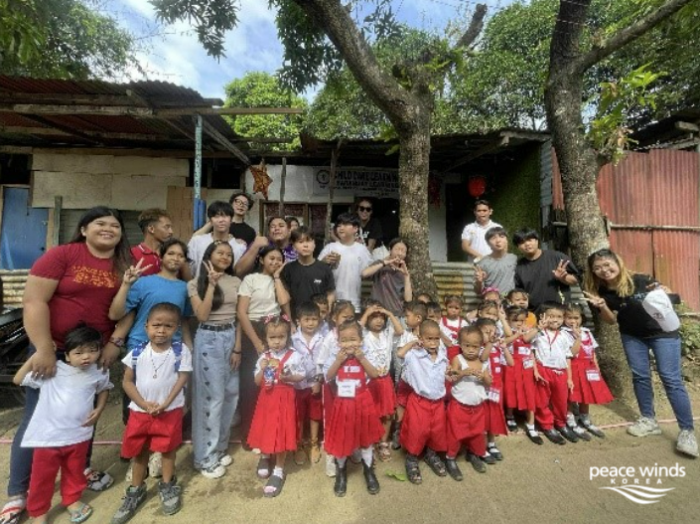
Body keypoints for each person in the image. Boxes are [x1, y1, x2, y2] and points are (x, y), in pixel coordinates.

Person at [0, 207, 130, 524]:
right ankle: (18, 493)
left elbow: (130, 308)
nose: (108, 228)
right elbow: (34, 301)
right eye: (100, 223)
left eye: (115, 225)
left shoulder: (122, 266)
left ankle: (79, 470)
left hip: (93, 354)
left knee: (84, 416)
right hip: (53, 350)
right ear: (84, 229)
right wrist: (44, 346)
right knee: (37, 419)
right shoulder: (62, 255)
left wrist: (114, 343)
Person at [583, 248, 698, 457]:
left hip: (662, 332)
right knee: (640, 376)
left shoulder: (641, 279)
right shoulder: (602, 291)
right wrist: (602, 306)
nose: (604, 270)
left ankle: (687, 431)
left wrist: (664, 291)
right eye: (597, 268)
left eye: (607, 264)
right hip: (632, 336)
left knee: (670, 378)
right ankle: (649, 419)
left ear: (617, 262)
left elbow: (668, 298)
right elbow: (610, 320)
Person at [13, 326, 112, 524]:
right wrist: (38, 355)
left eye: (92, 350)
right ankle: (38, 512)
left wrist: (99, 409)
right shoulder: (53, 370)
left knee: (74, 472)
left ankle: (72, 500)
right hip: (48, 438)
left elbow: (104, 389)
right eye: (79, 352)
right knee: (41, 478)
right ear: (67, 355)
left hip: (79, 435)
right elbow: (18, 379)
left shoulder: (99, 371)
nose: (86, 357)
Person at [112, 303, 192, 524]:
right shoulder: (136, 352)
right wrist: (144, 404)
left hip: (170, 411)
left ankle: (167, 485)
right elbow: (127, 382)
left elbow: (182, 379)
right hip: (140, 412)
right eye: (156, 325)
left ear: (176, 328)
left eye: (168, 326)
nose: (161, 330)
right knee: (140, 451)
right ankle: (136, 490)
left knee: (167, 450)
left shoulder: (180, 351)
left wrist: (166, 403)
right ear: (146, 326)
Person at [188, 241, 242, 479]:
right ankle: (204, 458)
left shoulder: (236, 282)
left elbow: (240, 316)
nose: (225, 257)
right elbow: (201, 315)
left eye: (229, 254)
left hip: (230, 336)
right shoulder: (194, 283)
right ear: (208, 255)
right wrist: (210, 285)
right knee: (211, 398)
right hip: (208, 337)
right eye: (220, 253)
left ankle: (220, 448)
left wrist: (238, 347)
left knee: (231, 393)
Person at [323, 320, 384, 497]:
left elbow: (374, 374)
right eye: (344, 340)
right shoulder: (336, 356)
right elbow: (328, 376)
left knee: (366, 439)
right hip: (343, 403)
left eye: (353, 339)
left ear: (360, 340)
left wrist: (361, 358)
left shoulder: (365, 354)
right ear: (338, 342)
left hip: (362, 401)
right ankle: (341, 473)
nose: (349, 344)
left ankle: (368, 471)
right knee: (342, 438)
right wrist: (337, 360)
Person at [237, 246, 291, 444]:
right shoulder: (250, 279)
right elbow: (242, 313)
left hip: (275, 330)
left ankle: (269, 431)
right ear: (261, 259)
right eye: (271, 258)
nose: (275, 262)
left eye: (279, 259)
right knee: (251, 384)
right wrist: (257, 342)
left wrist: (277, 277)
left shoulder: (280, 280)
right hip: (254, 330)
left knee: (273, 384)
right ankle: (248, 434)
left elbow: (284, 303)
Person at [248, 315, 305, 497]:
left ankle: (278, 470)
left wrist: (289, 377)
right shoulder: (264, 357)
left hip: (285, 399)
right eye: (272, 338)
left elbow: (301, 376)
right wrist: (263, 369)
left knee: (281, 432)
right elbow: (257, 382)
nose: (277, 341)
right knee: (266, 429)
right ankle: (265, 457)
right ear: (266, 338)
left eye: (281, 337)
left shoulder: (293, 356)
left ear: (287, 336)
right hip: (267, 400)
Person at [397, 319, 449, 485]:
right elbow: (400, 354)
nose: (433, 342)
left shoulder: (443, 355)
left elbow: (446, 374)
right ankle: (411, 458)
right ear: (421, 338)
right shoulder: (414, 355)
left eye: (436, 338)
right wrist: (413, 343)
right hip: (419, 401)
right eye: (429, 339)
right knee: (416, 430)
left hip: (438, 402)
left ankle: (431, 454)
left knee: (436, 430)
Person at [314, 300, 357, 477]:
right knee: (332, 420)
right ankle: (331, 455)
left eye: (351, 317)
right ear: (334, 318)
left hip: (352, 387)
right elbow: (321, 362)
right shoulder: (330, 338)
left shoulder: (355, 335)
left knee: (351, 418)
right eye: (344, 317)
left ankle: (352, 446)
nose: (348, 321)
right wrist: (325, 381)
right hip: (332, 388)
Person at [445, 326, 492, 479]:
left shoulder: (483, 363)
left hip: (477, 407)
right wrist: (463, 373)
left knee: (477, 433)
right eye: (467, 345)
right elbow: (451, 377)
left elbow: (489, 382)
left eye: (475, 346)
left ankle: (474, 454)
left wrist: (483, 378)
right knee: (455, 433)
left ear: (481, 347)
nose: (471, 350)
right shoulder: (458, 359)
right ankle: (450, 458)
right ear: (460, 344)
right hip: (459, 405)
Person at [359, 301, 403, 461]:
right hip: (369, 382)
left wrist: (389, 313)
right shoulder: (363, 334)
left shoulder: (387, 333)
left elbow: (400, 330)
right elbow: (356, 329)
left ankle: (383, 443)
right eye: (374, 317)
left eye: (381, 317)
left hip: (385, 381)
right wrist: (367, 312)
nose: (378, 320)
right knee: (370, 414)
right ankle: (370, 442)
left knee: (387, 414)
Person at [532, 302, 581, 445]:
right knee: (542, 400)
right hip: (543, 370)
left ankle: (561, 424)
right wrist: (535, 370)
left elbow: (570, 355)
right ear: (542, 316)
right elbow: (531, 352)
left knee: (561, 400)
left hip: (561, 372)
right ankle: (547, 425)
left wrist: (570, 377)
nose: (555, 319)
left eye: (559, 316)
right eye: (551, 316)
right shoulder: (539, 333)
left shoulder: (565, 335)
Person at [563, 304, 612, 439]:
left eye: (576, 318)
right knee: (572, 395)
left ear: (581, 318)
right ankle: (571, 419)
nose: (573, 321)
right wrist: (577, 337)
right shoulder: (564, 333)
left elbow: (592, 351)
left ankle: (585, 418)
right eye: (569, 318)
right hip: (573, 367)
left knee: (587, 394)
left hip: (588, 368)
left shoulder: (587, 331)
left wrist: (597, 367)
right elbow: (572, 353)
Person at [290, 302, 325, 465]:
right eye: (307, 319)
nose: (311, 323)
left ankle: (313, 443)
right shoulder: (292, 340)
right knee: (298, 415)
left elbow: (323, 362)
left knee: (314, 414)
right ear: (299, 321)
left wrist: (318, 380)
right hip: (297, 386)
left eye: (314, 319)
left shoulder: (322, 339)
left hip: (314, 385)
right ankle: (298, 444)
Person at [188, 201, 263, 278]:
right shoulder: (197, 241)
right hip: (199, 287)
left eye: (225, 216)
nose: (221, 220)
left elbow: (238, 272)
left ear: (231, 220)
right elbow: (189, 269)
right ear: (211, 220)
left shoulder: (239, 247)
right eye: (216, 216)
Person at [475, 318, 513, 464]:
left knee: (494, 416)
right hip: (483, 388)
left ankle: (491, 443)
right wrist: (490, 343)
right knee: (483, 417)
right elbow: (483, 358)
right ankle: (481, 446)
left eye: (493, 331)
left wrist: (504, 348)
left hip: (497, 388)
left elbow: (510, 363)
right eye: (487, 332)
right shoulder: (478, 347)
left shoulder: (498, 347)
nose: (491, 334)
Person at [502, 306, 542, 445]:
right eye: (515, 320)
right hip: (513, 367)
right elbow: (505, 341)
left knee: (530, 395)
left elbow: (529, 347)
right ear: (508, 320)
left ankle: (531, 425)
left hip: (527, 368)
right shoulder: (507, 332)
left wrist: (535, 369)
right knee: (511, 393)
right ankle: (510, 415)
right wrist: (515, 333)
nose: (519, 323)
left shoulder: (527, 332)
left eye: (522, 320)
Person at [512, 228, 579, 310]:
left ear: (537, 240)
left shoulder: (557, 257)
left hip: (559, 311)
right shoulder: (518, 266)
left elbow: (576, 279)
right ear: (518, 247)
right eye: (522, 242)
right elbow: (519, 291)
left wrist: (563, 278)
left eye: (530, 240)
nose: (527, 244)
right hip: (534, 312)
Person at [319, 213, 373, 312]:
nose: (341, 228)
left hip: (354, 301)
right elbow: (317, 271)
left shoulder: (361, 249)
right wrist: (324, 262)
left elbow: (367, 272)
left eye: (345, 224)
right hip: (332, 301)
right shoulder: (330, 247)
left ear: (355, 228)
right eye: (338, 225)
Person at [392, 301, 426, 450]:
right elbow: (400, 354)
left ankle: (413, 435)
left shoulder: (429, 337)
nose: (405, 319)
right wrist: (413, 343)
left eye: (407, 316)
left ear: (418, 318)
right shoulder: (406, 335)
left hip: (422, 382)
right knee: (401, 404)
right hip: (406, 380)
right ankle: (398, 431)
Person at [280, 226, 335, 318]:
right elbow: (285, 298)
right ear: (293, 246)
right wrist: (289, 321)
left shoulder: (325, 268)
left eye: (308, 241)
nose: (305, 245)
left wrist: (326, 314)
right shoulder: (288, 269)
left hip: (319, 319)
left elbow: (330, 294)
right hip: (296, 319)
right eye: (300, 242)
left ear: (314, 244)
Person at [362, 238, 413, 317]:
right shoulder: (380, 265)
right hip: (378, 313)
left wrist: (406, 276)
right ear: (390, 250)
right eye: (397, 249)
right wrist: (385, 262)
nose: (400, 253)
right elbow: (364, 273)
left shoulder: (405, 271)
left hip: (396, 314)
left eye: (403, 251)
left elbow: (408, 299)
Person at [192, 192, 257, 247]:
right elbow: (195, 238)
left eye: (245, 203)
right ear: (231, 204)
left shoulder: (250, 231)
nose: (241, 205)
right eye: (238, 201)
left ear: (248, 209)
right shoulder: (219, 223)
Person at [130, 209, 176, 278]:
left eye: (171, 227)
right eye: (167, 227)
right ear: (151, 229)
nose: (171, 232)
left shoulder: (173, 254)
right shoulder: (132, 254)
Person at [474, 226, 516, 296]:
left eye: (502, 237)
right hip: (491, 303)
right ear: (488, 243)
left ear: (506, 240)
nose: (498, 240)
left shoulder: (514, 259)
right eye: (493, 238)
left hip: (510, 302)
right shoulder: (482, 264)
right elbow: (477, 291)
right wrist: (479, 282)